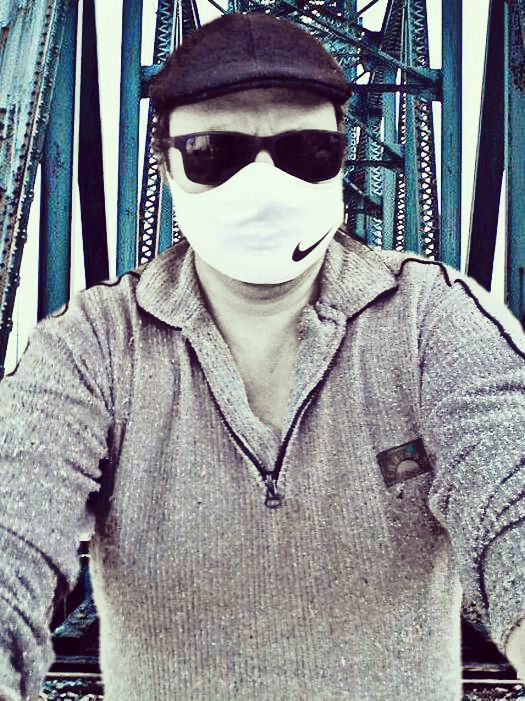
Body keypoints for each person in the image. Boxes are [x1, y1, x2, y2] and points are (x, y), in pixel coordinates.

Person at [0, 11, 524, 701]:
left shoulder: (431, 320)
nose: (264, 182)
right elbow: (14, 523)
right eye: (213, 152)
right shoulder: (92, 345)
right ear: (164, 166)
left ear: (342, 158)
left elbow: (509, 489)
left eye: (307, 151)